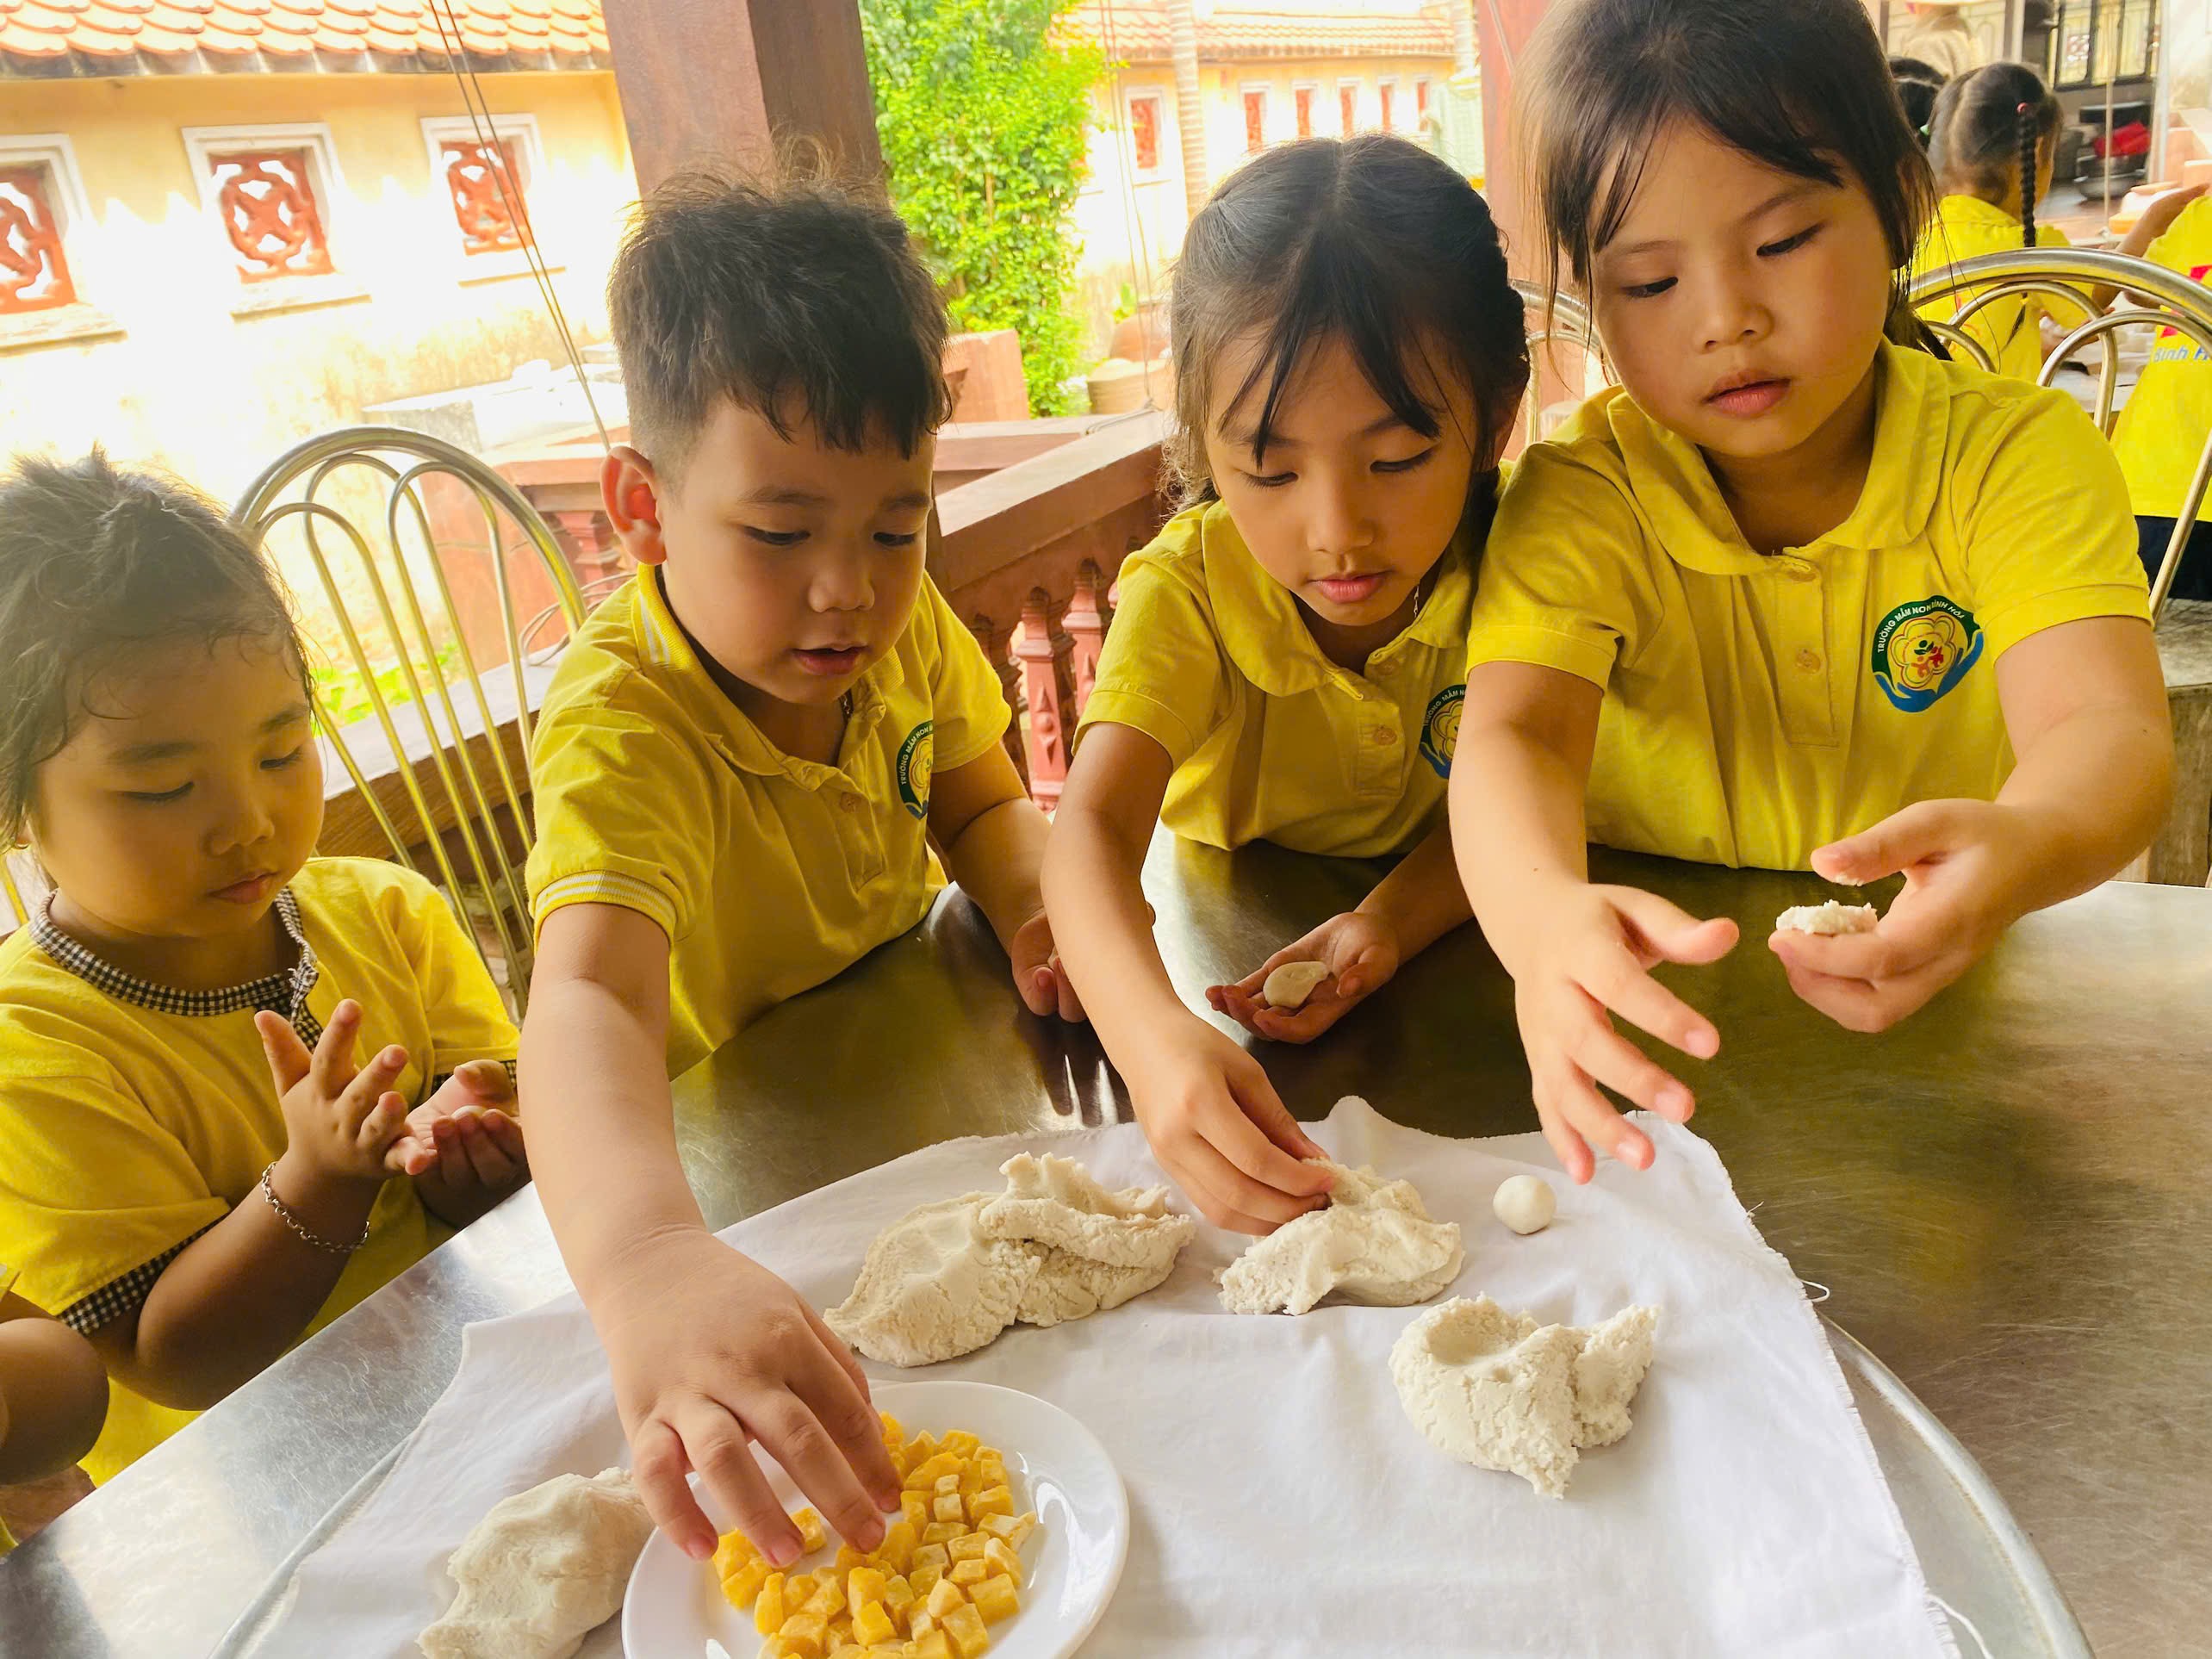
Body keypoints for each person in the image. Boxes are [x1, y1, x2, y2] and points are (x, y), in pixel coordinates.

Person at [1451, 0, 2172, 1183]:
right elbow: (1515, 735)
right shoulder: (1586, 493)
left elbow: (2109, 728)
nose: (1725, 318)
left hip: (1952, 1021)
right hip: (1645, 1028)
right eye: (1649, 281)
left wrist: (2032, 836)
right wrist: (1538, 928)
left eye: (1781, 242)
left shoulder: (2013, 456)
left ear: (1899, 202)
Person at [519, 171, 1075, 1567]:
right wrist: (647, 1259)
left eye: (895, 526)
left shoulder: (897, 628)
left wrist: (1034, 905)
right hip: (740, 1179)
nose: (850, 589)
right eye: (779, 534)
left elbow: (980, 798)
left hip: (917, 1083)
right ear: (642, 508)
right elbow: (586, 996)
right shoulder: (623, 724)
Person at [0, 450, 524, 1482]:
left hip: (478, 1393)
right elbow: (175, 1360)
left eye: (281, 753)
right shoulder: (34, 1053)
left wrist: (479, 1157)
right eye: (163, 790)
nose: (246, 822)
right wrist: (318, 1183)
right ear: (17, 806)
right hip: (267, 1494)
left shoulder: (388, 915)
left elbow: (515, 1109)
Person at [1043, 134, 1528, 1235]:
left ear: (1496, 417)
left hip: (1463, 970)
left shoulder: (1529, 560)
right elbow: (1088, 835)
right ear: (1204, 446)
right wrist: (1152, 1040)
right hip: (1217, 934)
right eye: (1269, 469)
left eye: (1396, 460)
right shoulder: (1189, 594)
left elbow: (1538, 784)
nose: (1337, 529)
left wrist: (1389, 921)